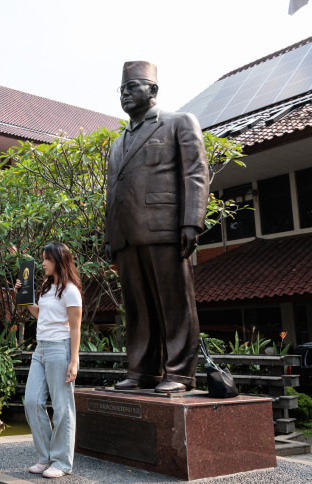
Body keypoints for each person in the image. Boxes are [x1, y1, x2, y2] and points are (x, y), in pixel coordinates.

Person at [105, 61, 209, 393]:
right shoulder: (117, 142)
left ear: (153, 89)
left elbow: (195, 172)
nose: (124, 94)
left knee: (175, 302)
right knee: (137, 307)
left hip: (165, 228)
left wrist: (192, 221)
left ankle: (179, 373)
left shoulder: (179, 123)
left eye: (131, 87)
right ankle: (142, 370)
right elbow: (112, 192)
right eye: (121, 89)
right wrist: (110, 237)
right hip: (126, 235)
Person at [15, 242, 82, 478]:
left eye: (47, 259)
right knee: (32, 402)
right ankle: (45, 458)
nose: (42, 263)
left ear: (59, 261)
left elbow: (75, 328)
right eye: (42, 259)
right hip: (40, 350)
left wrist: (73, 361)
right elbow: (41, 314)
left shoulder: (71, 290)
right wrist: (22, 296)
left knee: (63, 408)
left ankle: (62, 462)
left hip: (60, 350)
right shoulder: (46, 287)